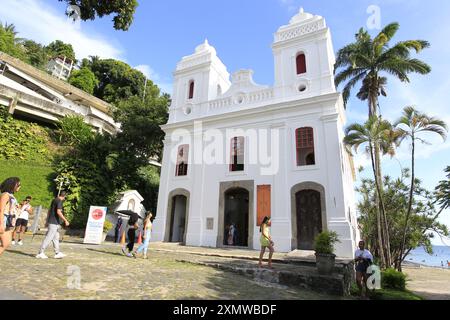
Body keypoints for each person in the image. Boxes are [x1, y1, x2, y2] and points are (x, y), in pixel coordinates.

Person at [36, 191, 70, 259]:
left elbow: (49, 211)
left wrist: (47, 221)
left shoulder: (54, 200)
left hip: (54, 222)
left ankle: (57, 253)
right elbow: (58, 212)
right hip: (54, 222)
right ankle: (40, 252)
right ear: (64, 196)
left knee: (56, 238)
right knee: (49, 237)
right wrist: (65, 220)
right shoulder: (59, 201)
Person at [0, 177, 21, 256]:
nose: (19, 187)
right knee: (5, 244)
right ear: (12, 185)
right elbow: (1, 210)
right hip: (3, 221)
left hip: (8, 222)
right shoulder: (5, 195)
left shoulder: (11, 195)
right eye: (18, 185)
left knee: (7, 243)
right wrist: (1, 224)